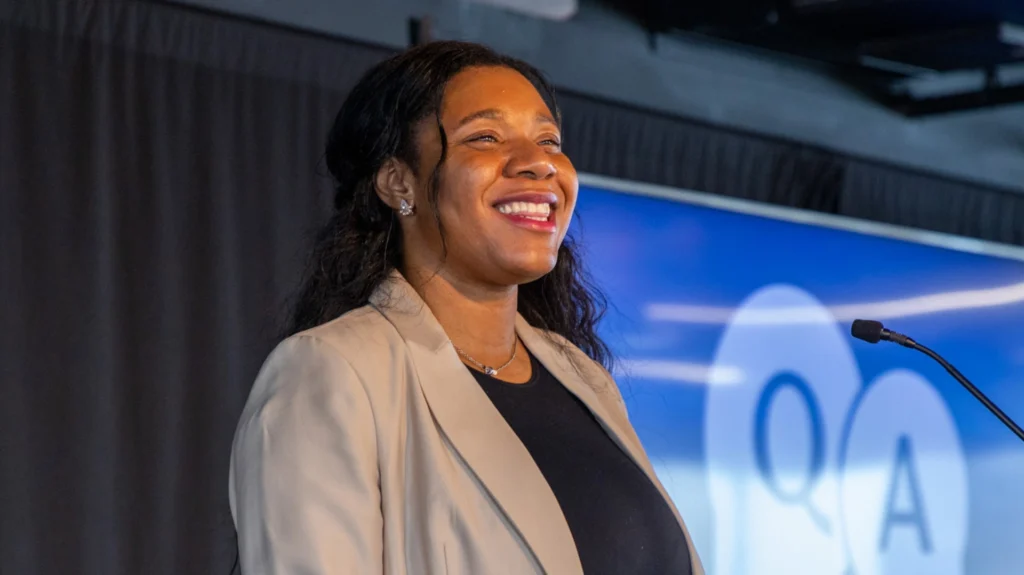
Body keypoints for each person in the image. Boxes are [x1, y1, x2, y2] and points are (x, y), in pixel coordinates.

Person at [228, 40, 703, 575]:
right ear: (397, 182)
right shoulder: (331, 372)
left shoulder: (583, 378)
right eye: (485, 136)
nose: (538, 164)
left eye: (549, 140)